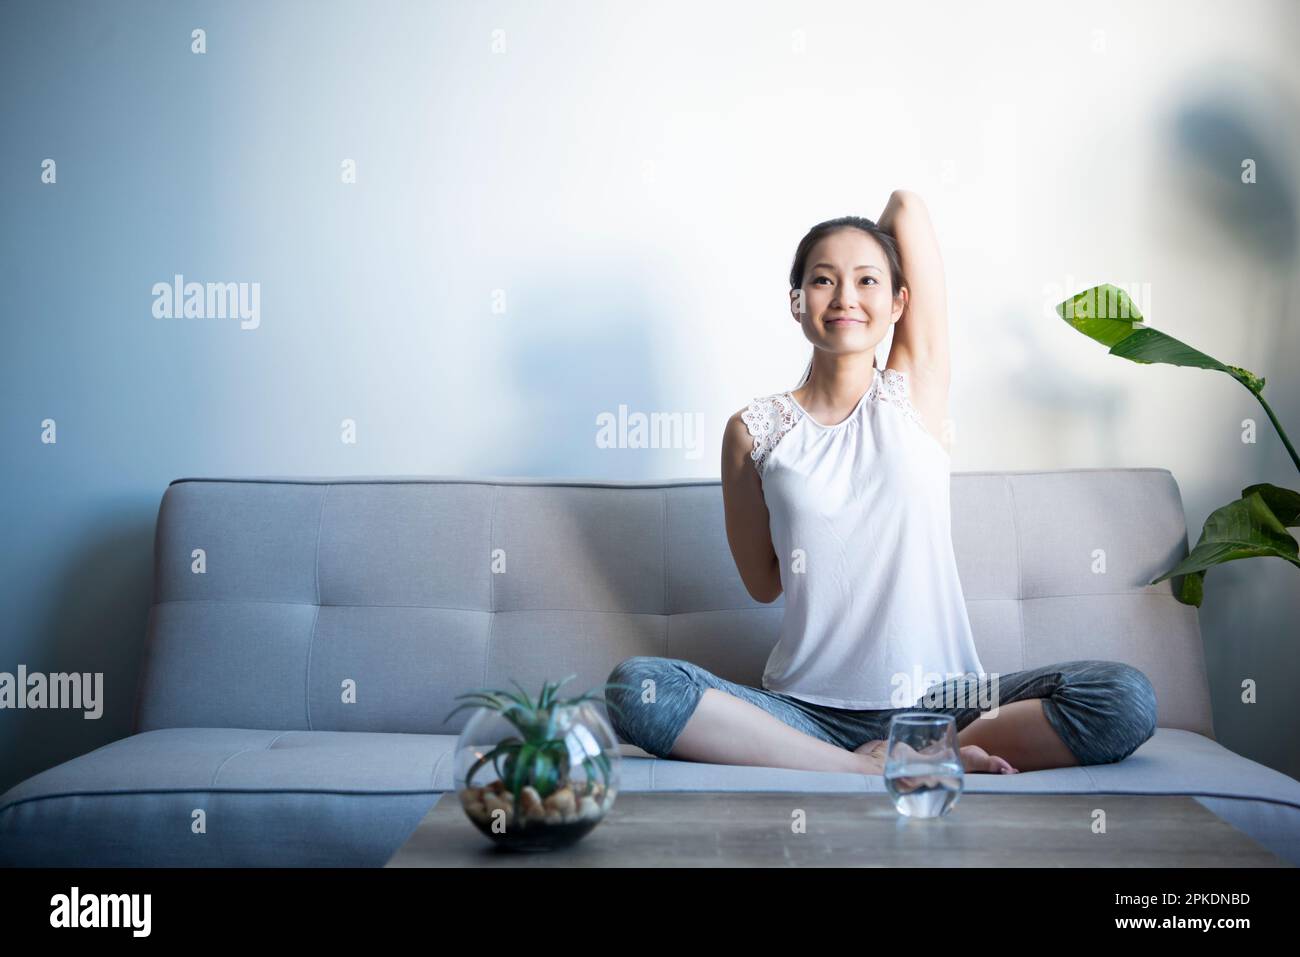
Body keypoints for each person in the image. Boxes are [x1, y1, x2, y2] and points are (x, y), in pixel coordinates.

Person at [605, 190, 1158, 775]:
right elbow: (763, 585)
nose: (845, 297)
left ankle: (900, 750)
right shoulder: (752, 431)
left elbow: (906, 207)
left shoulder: (913, 389)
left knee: (1123, 698)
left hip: (948, 702)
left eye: (867, 281)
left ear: (900, 303)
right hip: (805, 709)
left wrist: (866, 238)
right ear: (796, 302)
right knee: (636, 687)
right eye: (823, 280)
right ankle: (874, 766)